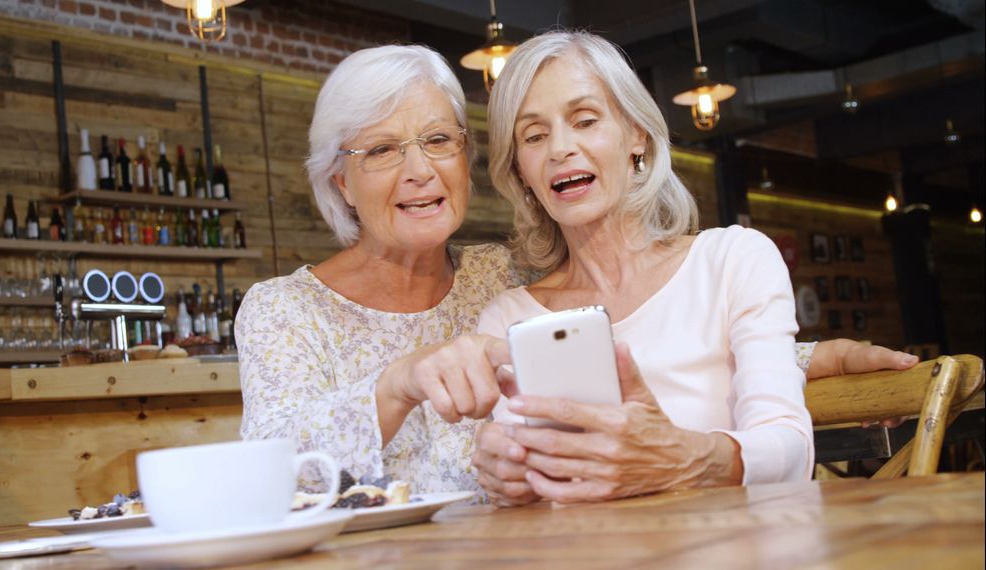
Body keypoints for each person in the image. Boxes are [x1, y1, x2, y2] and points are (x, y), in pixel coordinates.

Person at [236, 43, 917, 495]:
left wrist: (801, 356)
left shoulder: (496, 280)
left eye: (438, 140)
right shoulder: (285, 311)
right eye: (382, 149)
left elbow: (639, 338)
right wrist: (397, 388)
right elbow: (266, 478)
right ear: (340, 181)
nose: (420, 170)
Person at [471, 30, 915, 507]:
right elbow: (527, 492)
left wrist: (684, 457)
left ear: (636, 136)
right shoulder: (508, 318)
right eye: (534, 135)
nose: (560, 148)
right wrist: (506, 480)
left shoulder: (733, 260)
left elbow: (789, 450)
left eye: (584, 120)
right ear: (520, 171)